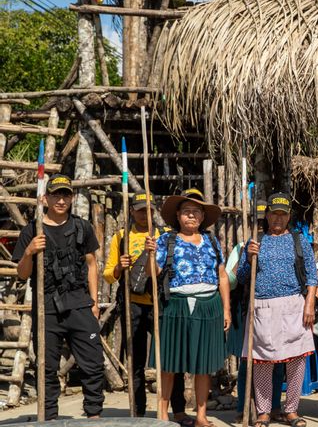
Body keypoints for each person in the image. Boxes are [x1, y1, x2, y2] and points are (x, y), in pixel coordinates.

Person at [13, 174, 104, 420]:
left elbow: (92, 264)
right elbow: (22, 274)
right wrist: (30, 251)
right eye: (56, 194)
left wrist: (94, 302)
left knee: (93, 363)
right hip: (46, 306)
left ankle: (94, 415)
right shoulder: (32, 230)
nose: (61, 200)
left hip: (79, 303)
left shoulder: (82, 227)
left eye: (66, 195)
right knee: (46, 367)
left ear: (72, 198)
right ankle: (49, 417)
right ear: (45, 198)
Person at [146, 188, 231, 426]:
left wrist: (226, 310)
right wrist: (150, 255)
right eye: (186, 211)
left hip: (208, 305)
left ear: (203, 217)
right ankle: (162, 415)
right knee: (169, 363)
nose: (191, 216)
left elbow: (222, 276)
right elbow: (155, 275)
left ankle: (201, 416)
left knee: (203, 365)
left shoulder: (212, 241)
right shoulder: (166, 240)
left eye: (196, 212)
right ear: (178, 216)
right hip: (176, 305)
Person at [104, 193, 192, 422]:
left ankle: (179, 410)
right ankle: (138, 411)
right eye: (140, 210)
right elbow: (107, 275)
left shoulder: (164, 237)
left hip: (162, 304)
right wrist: (118, 268)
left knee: (172, 358)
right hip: (132, 305)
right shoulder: (121, 237)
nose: (145, 214)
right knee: (135, 359)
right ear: (131, 211)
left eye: (149, 210)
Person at [238, 193, 318, 427]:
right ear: (267, 214)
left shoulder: (297, 240)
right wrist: (249, 257)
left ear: (288, 216)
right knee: (262, 360)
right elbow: (242, 277)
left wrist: (310, 303)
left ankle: (291, 410)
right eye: (274, 213)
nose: (278, 218)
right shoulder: (256, 241)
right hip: (262, 306)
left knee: (296, 360)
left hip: (294, 304)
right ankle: (263, 412)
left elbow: (312, 274)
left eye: (283, 214)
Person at [227, 201, 287, 424]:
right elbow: (233, 280)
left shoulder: (283, 245)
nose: (263, 225)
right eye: (260, 220)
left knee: (278, 359)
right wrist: (247, 256)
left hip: (276, 310)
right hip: (250, 310)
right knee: (249, 361)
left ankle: (274, 406)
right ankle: (244, 405)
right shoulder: (243, 246)